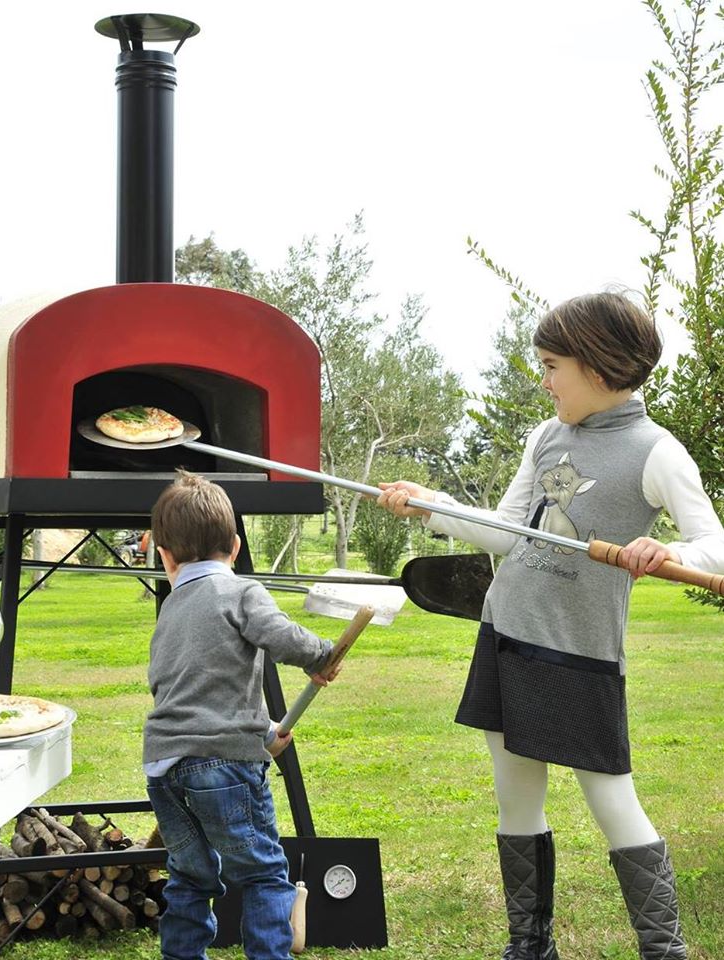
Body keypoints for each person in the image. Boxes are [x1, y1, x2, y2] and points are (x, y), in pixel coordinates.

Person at [376, 292, 724, 960]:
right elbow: (508, 534)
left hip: (579, 652)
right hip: (507, 631)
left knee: (612, 801)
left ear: (598, 367)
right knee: (516, 800)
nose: (544, 379)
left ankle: (665, 950)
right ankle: (529, 947)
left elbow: (716, 545)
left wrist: (671, 552)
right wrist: (432, 506)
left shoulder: (658, 452)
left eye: (551, 364)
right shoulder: (545, 436)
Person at [144, 471, 335, 960]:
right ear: (234, 546)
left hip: (165, 768)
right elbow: (281, 635)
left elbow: (185, 691)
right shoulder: (241, 592)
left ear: (165, 556)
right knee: (264, 873)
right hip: (224, 765)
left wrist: (265, 730)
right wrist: (322, 654)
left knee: (190, 875)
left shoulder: (169, 610)